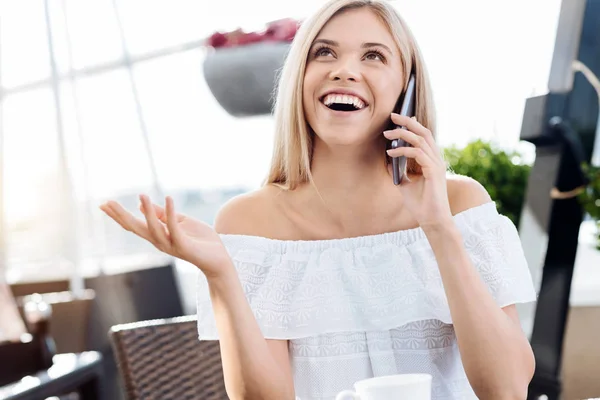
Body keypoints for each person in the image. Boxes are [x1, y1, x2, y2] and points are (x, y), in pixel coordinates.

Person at [100, 0, 538, 398]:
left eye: (374, 55)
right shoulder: (249, 223)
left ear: (406, 87)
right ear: (299, 79)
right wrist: (221, 275)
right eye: (324, 52)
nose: (344, 70)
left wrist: (440, 229)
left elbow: (507, 390)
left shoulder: (459, 204)